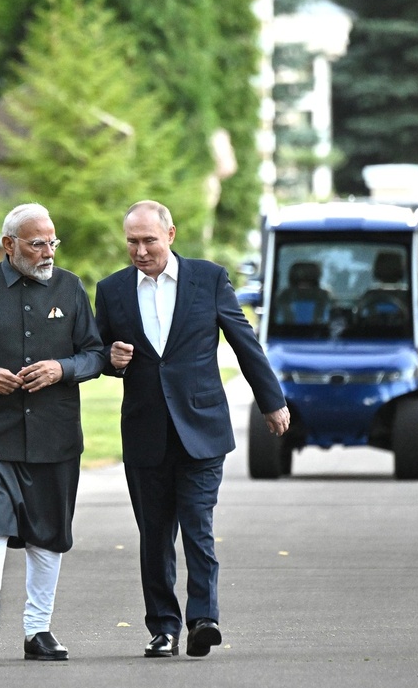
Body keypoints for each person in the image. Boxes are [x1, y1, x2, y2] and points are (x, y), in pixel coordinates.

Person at [94, 200, 290, 659]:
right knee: (155, 535)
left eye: (149, 241)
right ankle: (164, 627)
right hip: (145, 431)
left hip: (201, 426)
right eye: (132, 242)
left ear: (171, 235)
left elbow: (244, 341)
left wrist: (272, 401)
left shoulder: (208, 278)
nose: (140, 250)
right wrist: (109, 360)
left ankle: (203, 619)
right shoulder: (112, 290)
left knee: (198, 526)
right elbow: (95, 350)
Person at [0, 203, 106, 663]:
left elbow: (96, 354)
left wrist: (62, 368)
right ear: (9, 245)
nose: (48, 251)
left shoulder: (70, 288)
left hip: (53, 434)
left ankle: (38, 632)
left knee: (48, 533)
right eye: (37, 243)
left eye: (52, 241)